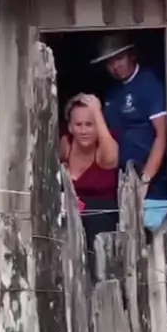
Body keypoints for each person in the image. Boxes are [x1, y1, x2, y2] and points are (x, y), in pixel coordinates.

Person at [91, 33, 167, 232]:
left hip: (153, 189)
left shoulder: (149, 84)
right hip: (121, 185)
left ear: (132, 55)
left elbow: (162, 135)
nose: (115, 66)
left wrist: (145, 180)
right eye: (109, 62)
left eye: (119, 58)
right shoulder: (112, 93)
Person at [60, 93, 119, 252]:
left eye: (90, 124)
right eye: (78, 125)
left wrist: (96, 112)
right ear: (70, 127)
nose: (84, 130)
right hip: (70, 228)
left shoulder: (105, 148)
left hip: (102, 233)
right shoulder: (65, 145)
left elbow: (112, 159)